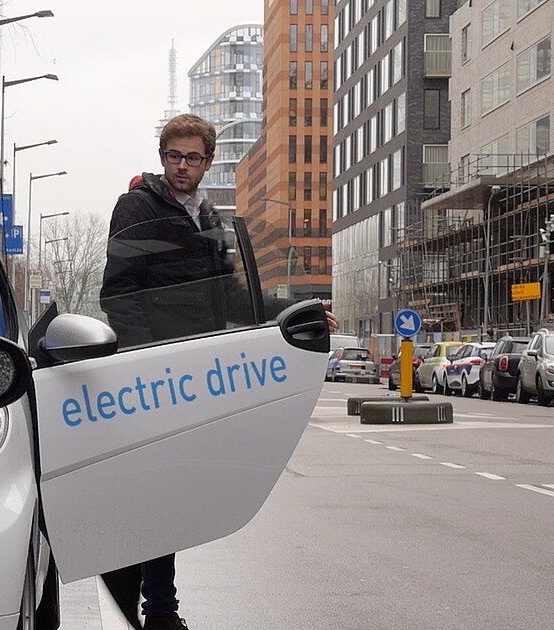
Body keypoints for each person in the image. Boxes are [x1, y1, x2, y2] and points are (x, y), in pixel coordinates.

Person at [98, 113, 337, 630]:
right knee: (158, 494)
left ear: (208, 162)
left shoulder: (206, 218)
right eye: (172, 156)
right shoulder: (137, 207)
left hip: (197, 368)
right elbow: (118, 292)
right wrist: (147, 360)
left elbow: (230, 296)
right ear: (162, 157)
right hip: (157, 372)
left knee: (174, 495)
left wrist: (293, 310)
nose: (181, 166)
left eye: (192, 158)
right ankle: (157, 609)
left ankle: (154, 605)